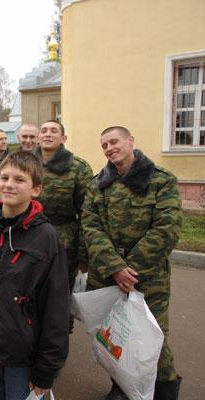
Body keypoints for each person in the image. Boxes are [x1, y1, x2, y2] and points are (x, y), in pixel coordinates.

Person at [0, 151, 69, 400]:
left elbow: (56, 308)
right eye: (5, 177)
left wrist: (46, 370)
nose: (9, 184)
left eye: (19, 179)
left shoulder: (46, 238)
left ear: (36, 189)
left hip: (22, 356)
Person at [82, 126, 182, 400]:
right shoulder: (98, 184)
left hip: (148, 278)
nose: (109, 148)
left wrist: (129, 271)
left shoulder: (161, 181)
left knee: (153, 338)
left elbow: (166, 230)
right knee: (116, 336)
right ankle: (122, 388)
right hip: (109, 276)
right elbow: (90, 227)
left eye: (114, 141)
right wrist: (115, 268)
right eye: (104, 145)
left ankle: (165, 389)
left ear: (130, 141)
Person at [34, 120, 93, 303]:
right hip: (29, 236)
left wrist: (84, 255)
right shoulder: (25, 162)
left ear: (63, 138)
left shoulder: (78, 167)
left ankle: (60, 329)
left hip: (64, 241)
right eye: (44, 131)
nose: (48, 134)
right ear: (38, 137)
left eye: (54, 131)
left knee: (59, 294)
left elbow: (88, 212)